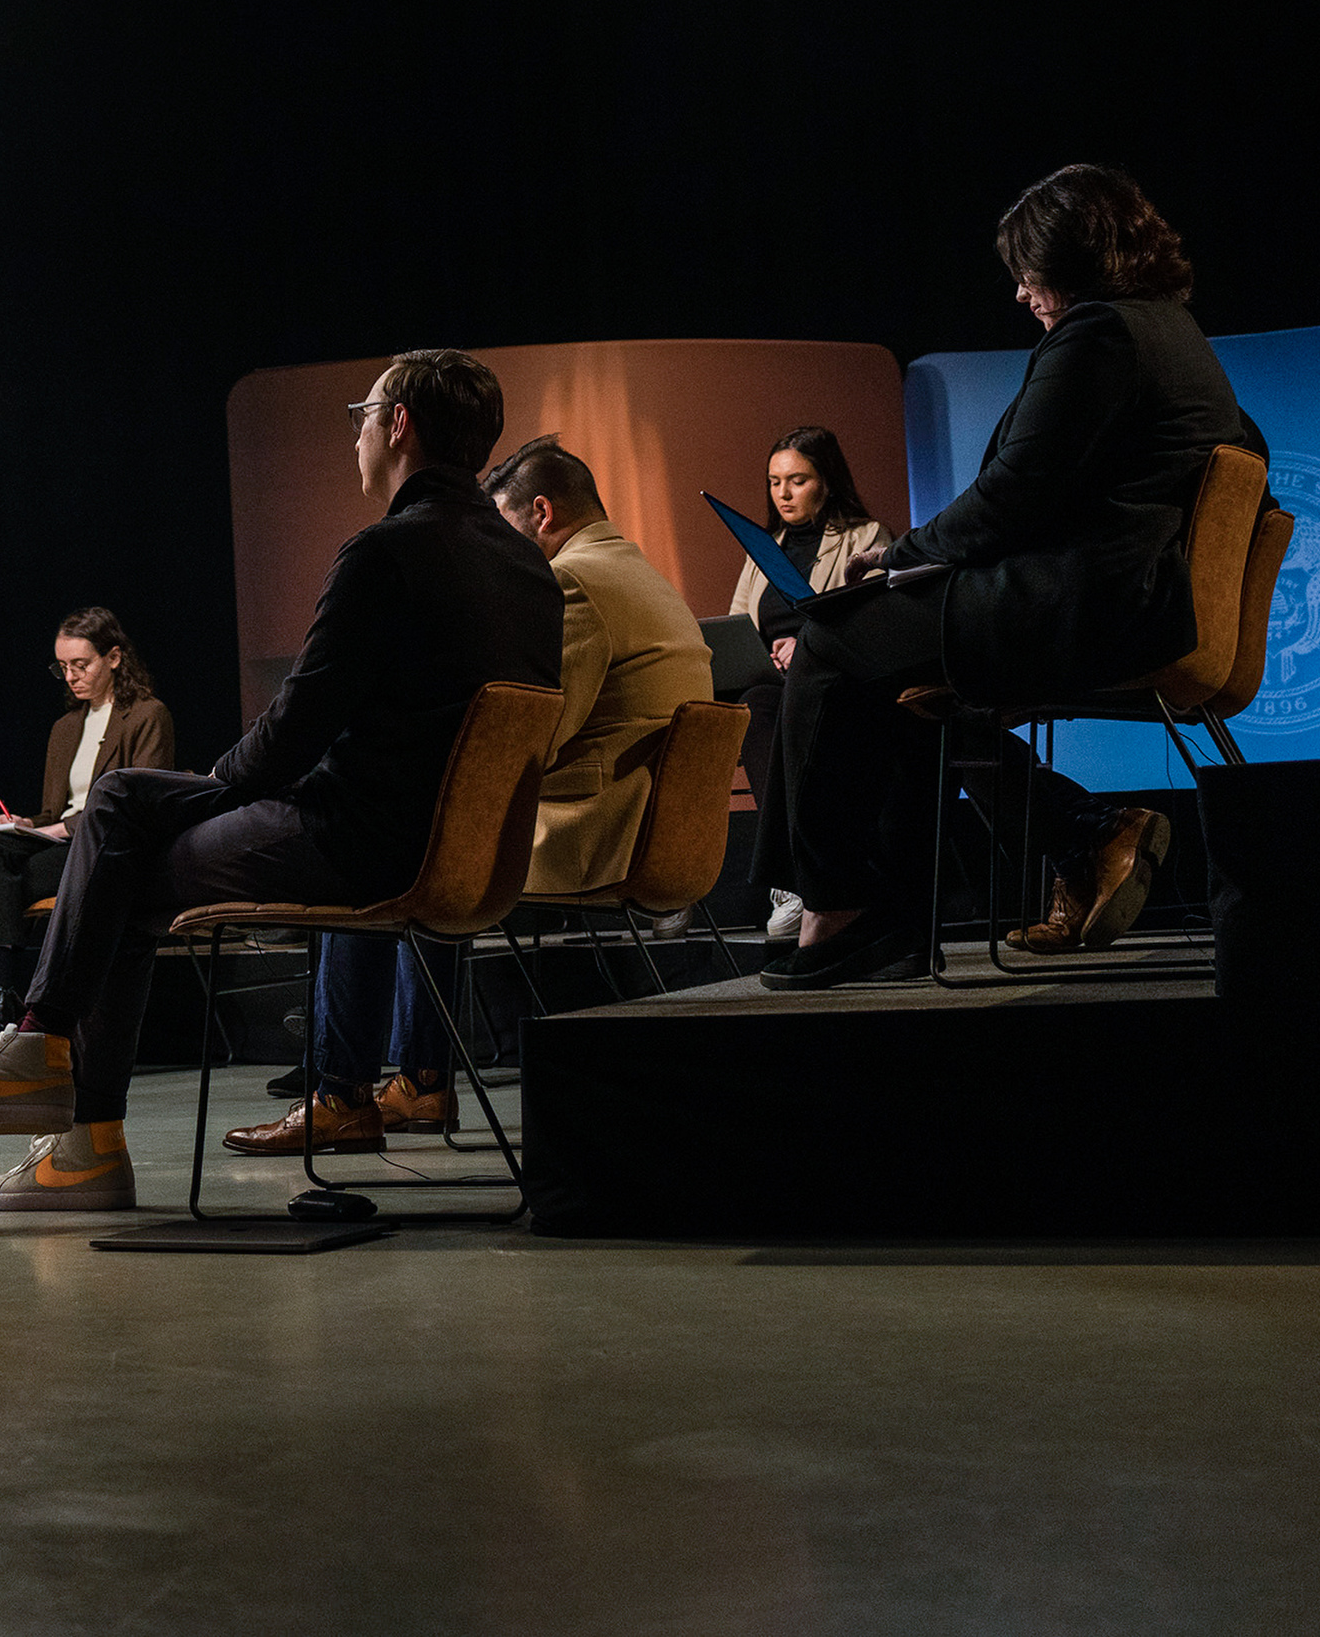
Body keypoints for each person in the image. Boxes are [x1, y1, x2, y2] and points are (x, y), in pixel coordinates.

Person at [0, 349, 562, 1210]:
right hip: (455, 853)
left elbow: (290, 736)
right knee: (121, 824)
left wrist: (210, 786)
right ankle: (52, 1081)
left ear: (398, 426)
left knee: (118, 837)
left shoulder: (385, 553)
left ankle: (70, 1115)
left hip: (354, 842)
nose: (353, 434)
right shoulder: (530, 570)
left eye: (362, 414)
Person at [757, 166, 1259, 990]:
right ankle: (906, 919)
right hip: (1125, 597)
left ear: (1072, 261)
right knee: (890, 673)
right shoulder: (1171, 330)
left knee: (830, 639)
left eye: (1030, 272)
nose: (1022, 293)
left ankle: (839, 907)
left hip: (1087, 604)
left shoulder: (1100, 334)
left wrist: (901, 555)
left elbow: (1013, 496)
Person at [227, 436, 712, 1152]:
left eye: (503, 528)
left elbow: (533, 732)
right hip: (654, 827)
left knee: (378, 842)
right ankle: (421, 1082)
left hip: (596, 831)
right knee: (433, 838)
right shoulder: (637, 571)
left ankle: (340, 1094)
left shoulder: (572, 581)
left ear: (542, 512)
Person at [0, 609, 175, 1049]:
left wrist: (59, 829)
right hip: (62, 842)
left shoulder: (147, 715)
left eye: (81, 665)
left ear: (113, 658)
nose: (70, 677)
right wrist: (26, 824)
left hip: (109, 846)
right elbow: (54, 809)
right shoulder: (66, 728)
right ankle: (4, 1012)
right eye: (63, 667)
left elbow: (142, 803)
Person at [725, 426, 894, 946]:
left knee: (773, 708)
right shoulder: (763, 548)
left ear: (827, 481)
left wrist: (807, 643)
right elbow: (739, 622)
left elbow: (871, 617)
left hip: (835, 680)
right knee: (753, 704)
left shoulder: (866, 537)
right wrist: (758, 655)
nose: (783, 493)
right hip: (773, 682)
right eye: (775, 482)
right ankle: (794, 878)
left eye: (797, 480)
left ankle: (801, 878)